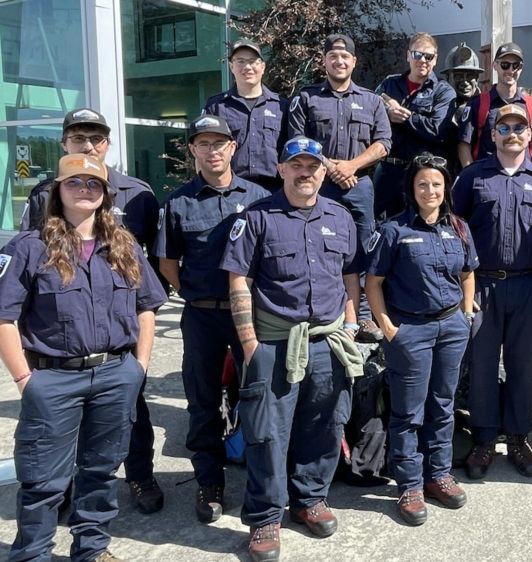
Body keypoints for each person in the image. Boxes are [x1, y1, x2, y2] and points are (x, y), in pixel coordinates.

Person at [0, 154, 166, 562]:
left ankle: (91, 549)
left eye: (94, 185)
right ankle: (33, 554)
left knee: (101, 470)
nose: (85, 190)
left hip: (115, 375)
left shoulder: (124, 246)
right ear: (58, 191)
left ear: (106, 194)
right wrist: (25, 380)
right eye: (75, 183)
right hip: (54, 379)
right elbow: (3, 318)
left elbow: (147, 307)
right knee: (43, 479)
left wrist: (139, 367)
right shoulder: (28, 248)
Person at [221, 136, 363, 562]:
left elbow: (351, 275)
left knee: (325, 425)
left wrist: (353, 324)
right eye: (296, 165)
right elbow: (238, 280)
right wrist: (249, 344)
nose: (306, 172)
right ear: (281, 170)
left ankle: (309, 499)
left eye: (313, 165)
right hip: (274, 342)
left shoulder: (341, 217)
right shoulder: (256, 217)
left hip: (328, 343)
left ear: (323, 171)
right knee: (267, 434)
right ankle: (266, 516)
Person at [22, 107, 164, 514]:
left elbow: (149, 259)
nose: (88, 145)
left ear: (107, 143)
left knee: (131, 410)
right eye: (79, 137)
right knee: (61, 423)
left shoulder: (138, 193)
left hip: (120, 324)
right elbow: (36, 264)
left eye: (96, 138)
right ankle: (64, 482)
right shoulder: (44, 194)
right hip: (65, 326)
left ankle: (139, 475)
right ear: (64, 143)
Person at [155, 116, 269, 522]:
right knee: (202, 401)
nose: (212, 150)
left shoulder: (259, 198)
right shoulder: (178, 203)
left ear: (233, 147)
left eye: (219, 143)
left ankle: (263, 481)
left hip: (251, 317)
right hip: (201, 316)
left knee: (257, 396)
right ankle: (209, 483)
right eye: (203, 144)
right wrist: (189, 291)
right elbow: (167, 262)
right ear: (193, 151)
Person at [452, 104, 532, 480]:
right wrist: (462, 286)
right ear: (493, 135)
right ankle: (485, 439)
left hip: (528, 285)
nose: (512, 133)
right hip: (482, 285)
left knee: (524, 365)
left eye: (520, 126)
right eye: (504, 127)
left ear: (529, 134)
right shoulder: (472, 178)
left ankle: (518, 438)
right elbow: (453, 229)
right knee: (483, 366)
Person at [366, 154, 478, 525]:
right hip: (409, 331)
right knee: (408, 413)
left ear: (445, 188)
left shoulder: (459, 227)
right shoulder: (393, 230)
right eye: (422, 184)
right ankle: (410, 484)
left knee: (442, 406)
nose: (430, 190)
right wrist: (387, 326)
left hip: (450, 329)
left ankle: (438, 475)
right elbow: (374, 283)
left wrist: (466, 314)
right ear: (411, 189)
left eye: (436, 184)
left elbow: (467, 274)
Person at [287, 33, 392, 343]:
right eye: (333, 56)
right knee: (317, 248)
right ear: (324, 61)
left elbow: (384, 143)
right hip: (319, 186)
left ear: (354, 62)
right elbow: (296, 143)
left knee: (362, 251)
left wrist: (352, 166)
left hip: (360, 185)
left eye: (345, 56)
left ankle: (363, 316)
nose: (339, 61)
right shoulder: (307, 99)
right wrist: (333, 167)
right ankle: (324, 312)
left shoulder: (372, 100)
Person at [372, 32, 456, 221]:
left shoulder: (443, 91)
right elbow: (369, 115)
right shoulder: (389, 84)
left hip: (422, 174)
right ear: (408, 55)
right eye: (417, 54)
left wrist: (405, 116)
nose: (423, 60)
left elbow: (437, 130)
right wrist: (387, 113)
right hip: (388, 171)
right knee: (382, 228)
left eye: (429, 56)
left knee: (420, 226)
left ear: (435, 60)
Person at [203, 39, 289, 191]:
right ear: (231, 67)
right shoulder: (216, 106)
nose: (247, 67)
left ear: (262, 67)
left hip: (274, 190)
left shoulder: (282, 106)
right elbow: (202, 153)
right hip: (231, 189)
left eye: (252, 61)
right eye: (240, 61)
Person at [457, 42, 532, 168]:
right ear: (495, 65)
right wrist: (470, 177)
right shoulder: (478, 103)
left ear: (521, 68)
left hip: (523, 181)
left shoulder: (531, 105)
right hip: (486, 180)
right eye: (505, 65)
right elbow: (464, 145)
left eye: (516, 65)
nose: (511, 70)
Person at [441, 42, 484, 177]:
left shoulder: (485, 107)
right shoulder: (438, 108)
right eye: (459, 75)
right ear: (448, 78)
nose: (465, 81)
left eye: (470, 75)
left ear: (477, 79)